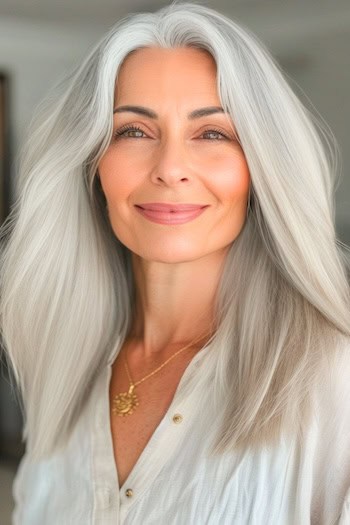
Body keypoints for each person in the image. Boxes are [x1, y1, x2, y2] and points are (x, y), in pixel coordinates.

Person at [1, 1, 350, 523]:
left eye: (212, 134)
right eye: (133, 131)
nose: (170, 168)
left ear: (260, 168)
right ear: (92, 162)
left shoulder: (331, 383)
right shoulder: (64, 373)